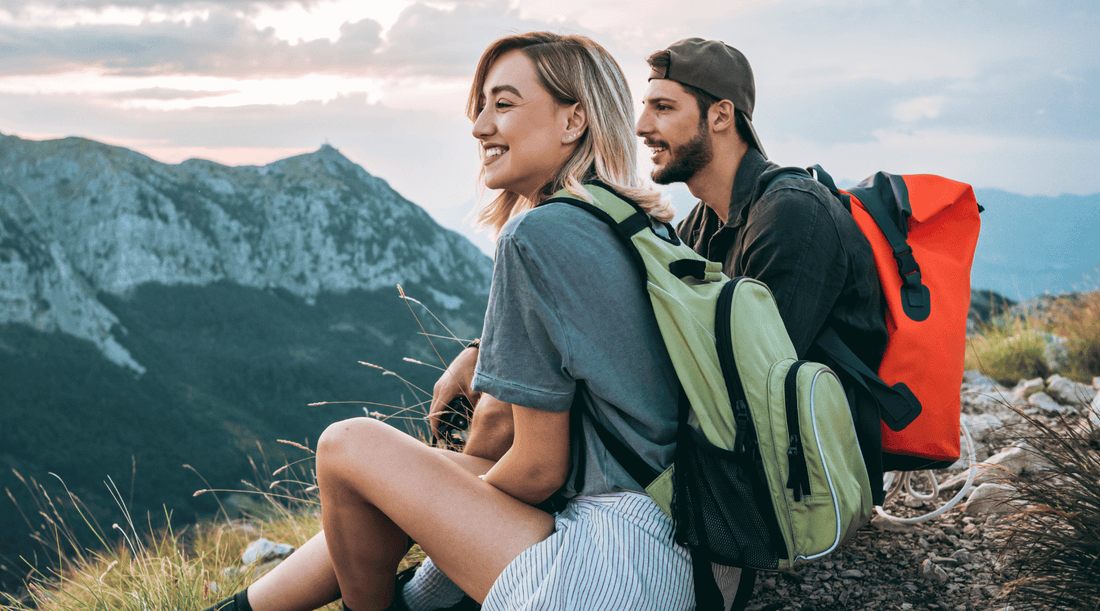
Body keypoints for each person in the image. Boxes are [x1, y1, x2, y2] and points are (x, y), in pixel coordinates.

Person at [203, 31, 700, 611]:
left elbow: (540, 469)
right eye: (481, 107)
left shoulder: (537, 234)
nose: (480, 127)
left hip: (604, 567)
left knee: (346, 445)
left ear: (574, 121)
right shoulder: (637, 226)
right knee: (422, 475)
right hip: (670, 551)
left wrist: (437, 521)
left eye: (504, 104)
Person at [635, 37, 889, 499]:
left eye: (664, 108)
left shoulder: (793, 214)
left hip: (807, 482)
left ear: (720, 115)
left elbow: (756, 382)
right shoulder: (705, 221)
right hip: (754, 454)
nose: (641, 126)